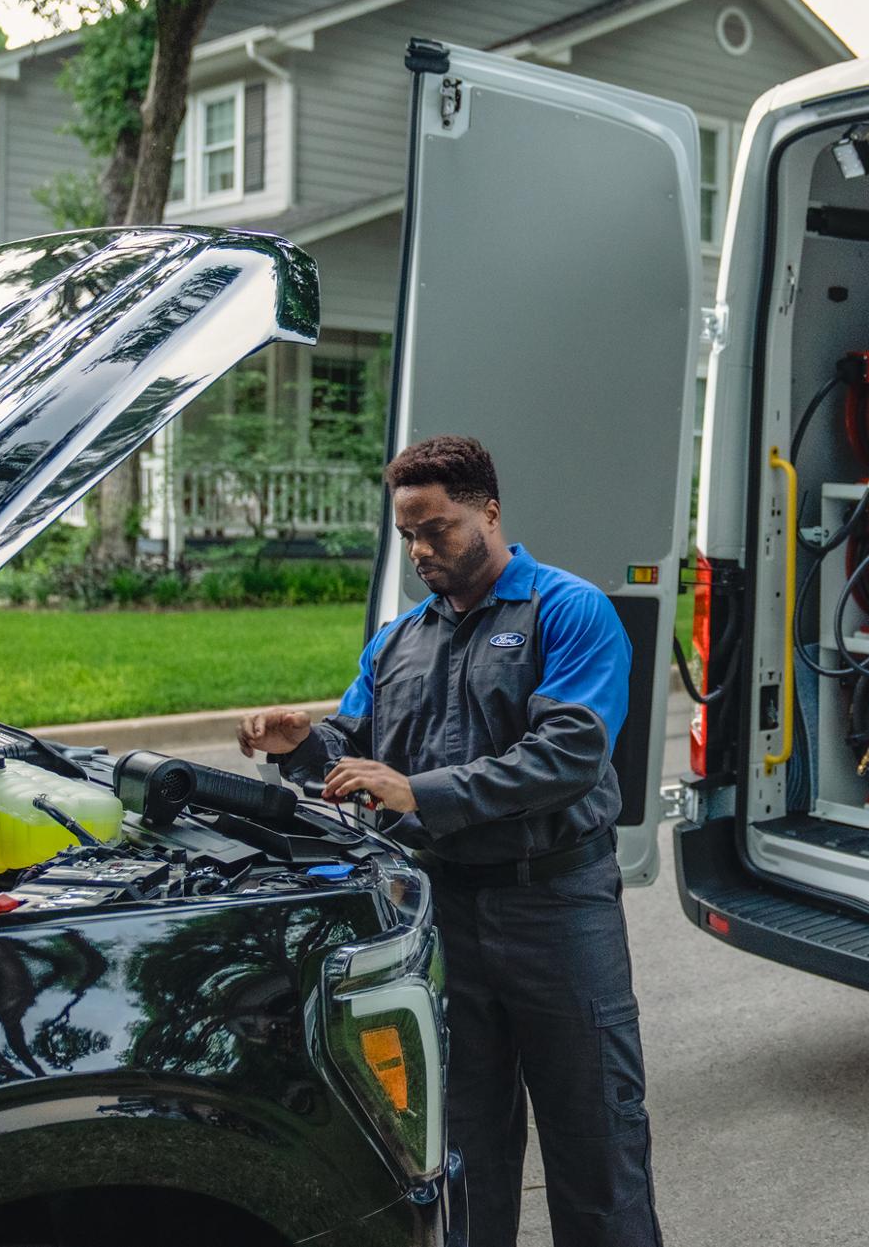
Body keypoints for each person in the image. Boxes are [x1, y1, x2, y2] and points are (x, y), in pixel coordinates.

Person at [237, 434, 661, 1247]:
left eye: (439, 529)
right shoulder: (399, 641)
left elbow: (568, 755)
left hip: (557, 910)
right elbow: (354, 758)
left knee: (597, 1139)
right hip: (446, 918)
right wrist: (300, 744)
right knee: (461, 1149)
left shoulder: (567, 610)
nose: (422, 550)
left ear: (490, 512)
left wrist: (419, 791)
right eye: (408, 535)